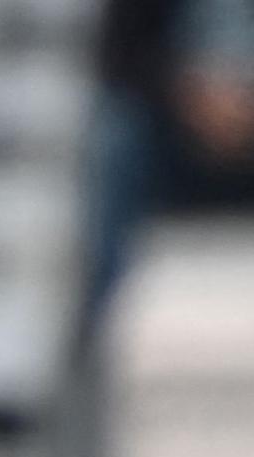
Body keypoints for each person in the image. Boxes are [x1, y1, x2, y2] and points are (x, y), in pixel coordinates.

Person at [95, 0, 254, 309]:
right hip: (173, 133)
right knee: (117, 135)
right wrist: (188, 95)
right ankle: (101, 315)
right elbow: (118, 56)